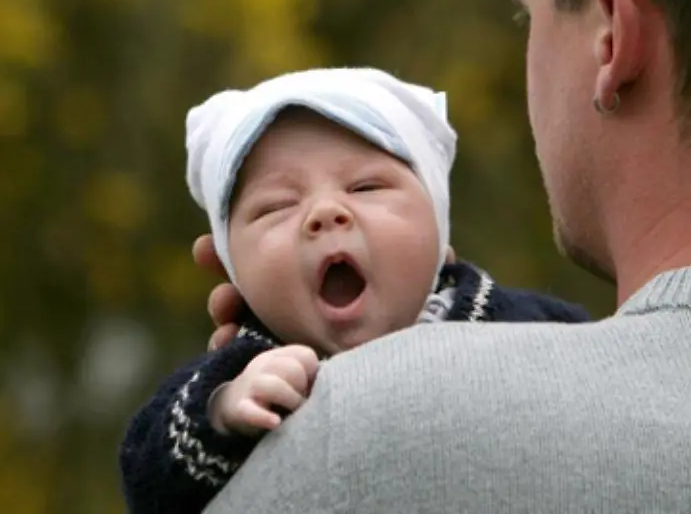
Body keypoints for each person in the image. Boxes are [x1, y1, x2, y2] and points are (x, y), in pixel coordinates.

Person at [195, 0, 691, 512]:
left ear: (611, 39)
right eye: (275, 207)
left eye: (528, 13)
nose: (326, 214)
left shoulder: (358, 430)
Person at [118, 68, 591, 513]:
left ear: (437, 222)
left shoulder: (532, 330)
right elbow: (146, 478)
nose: (325, 213)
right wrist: (222, 412)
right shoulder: (245, 371)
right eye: (276, 207)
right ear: (230, 265)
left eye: (366, 187)